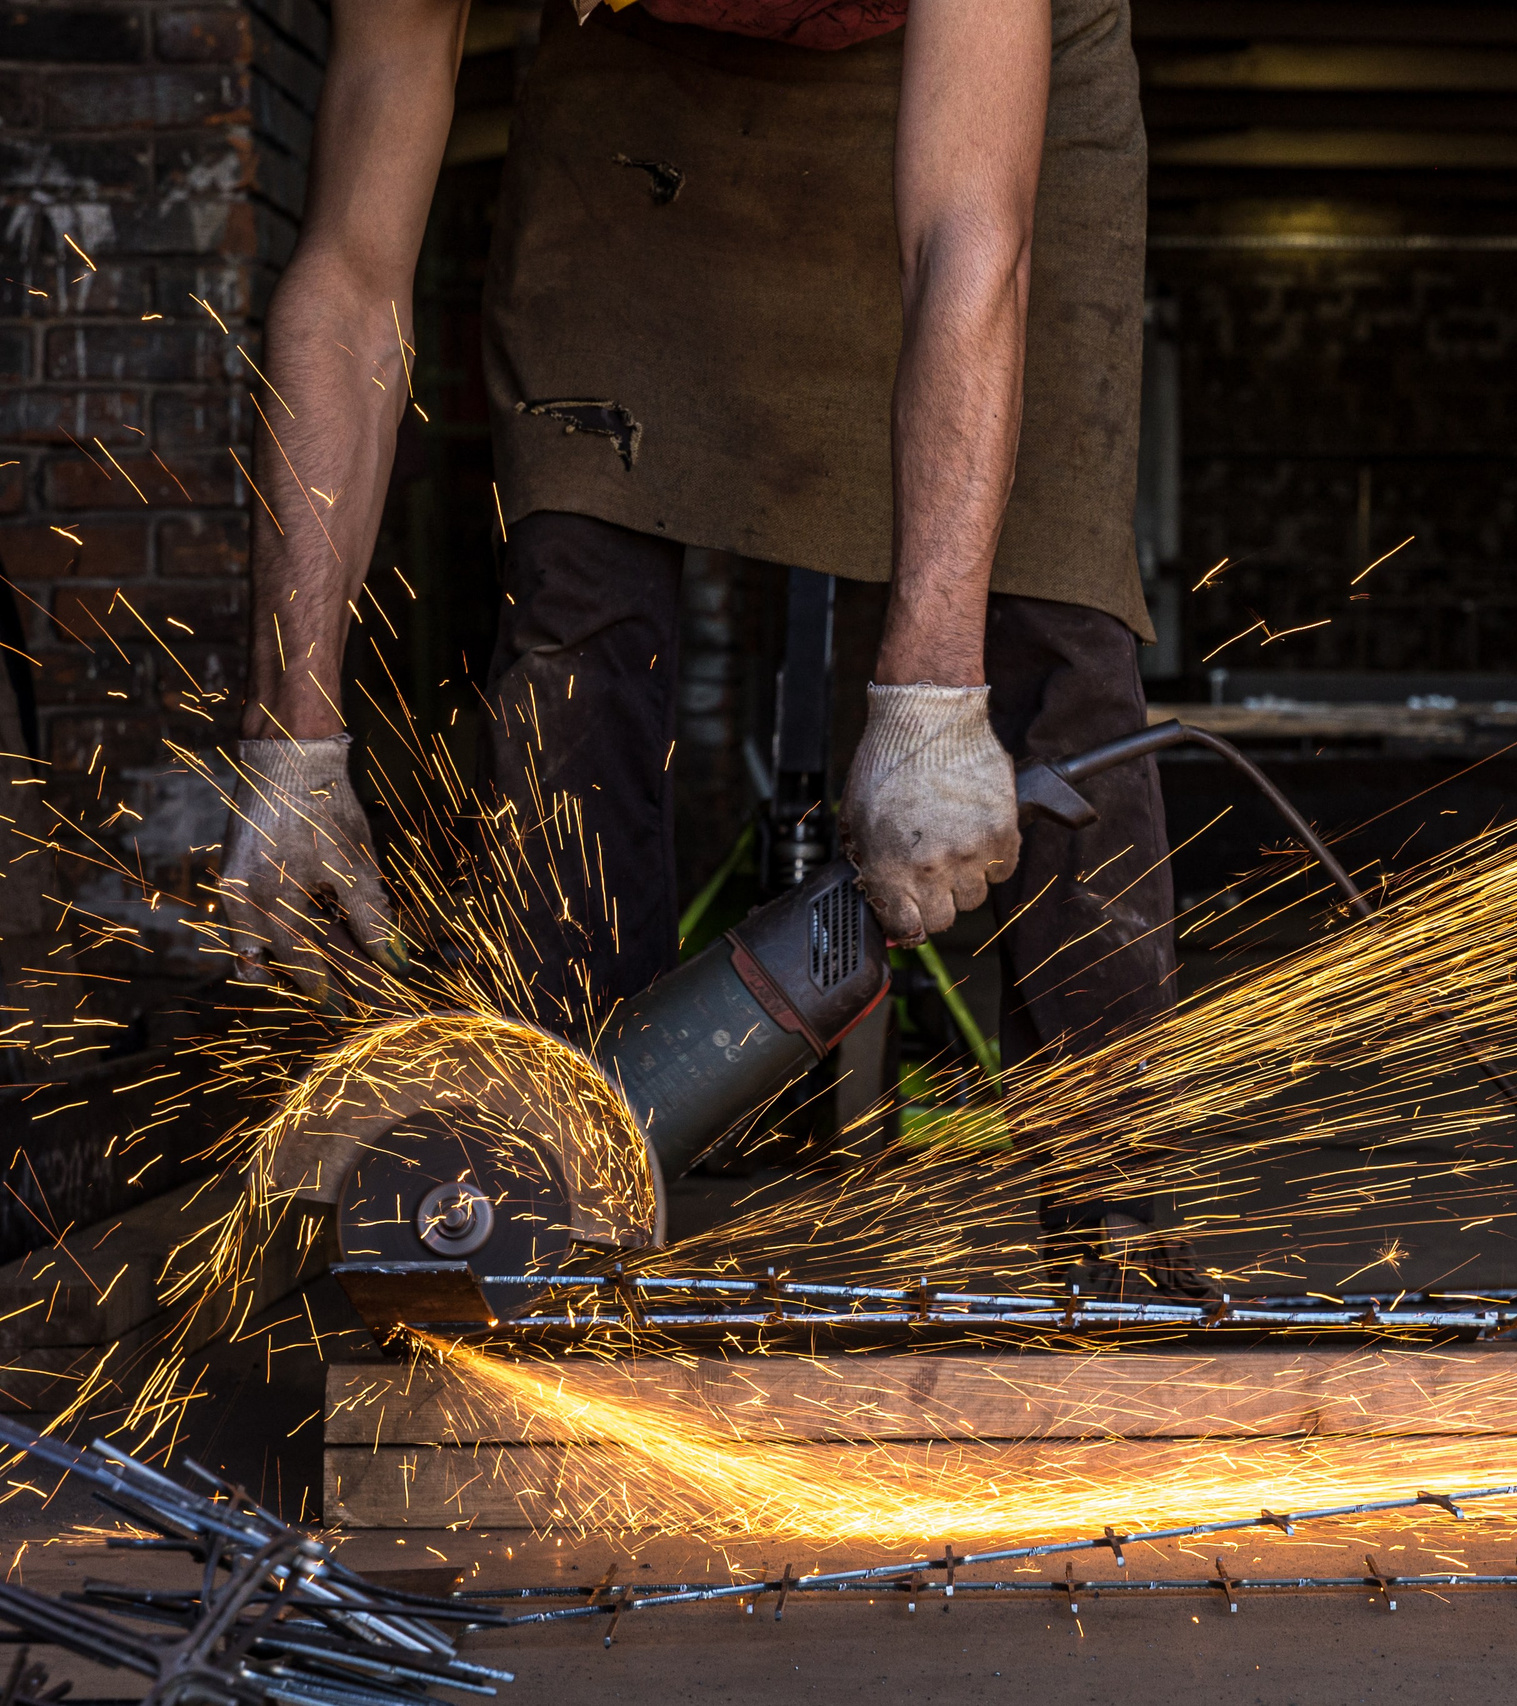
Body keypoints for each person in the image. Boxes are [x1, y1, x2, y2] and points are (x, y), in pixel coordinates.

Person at [215, 0, 1194, 1291]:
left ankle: (1125, 1239)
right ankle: (555, 1215)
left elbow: (969, 239)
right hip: (636, 105)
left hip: (988, 107)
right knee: (576, 620)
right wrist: (295, 734)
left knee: (1057, 646)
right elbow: (347, 289)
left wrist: (933, 690)